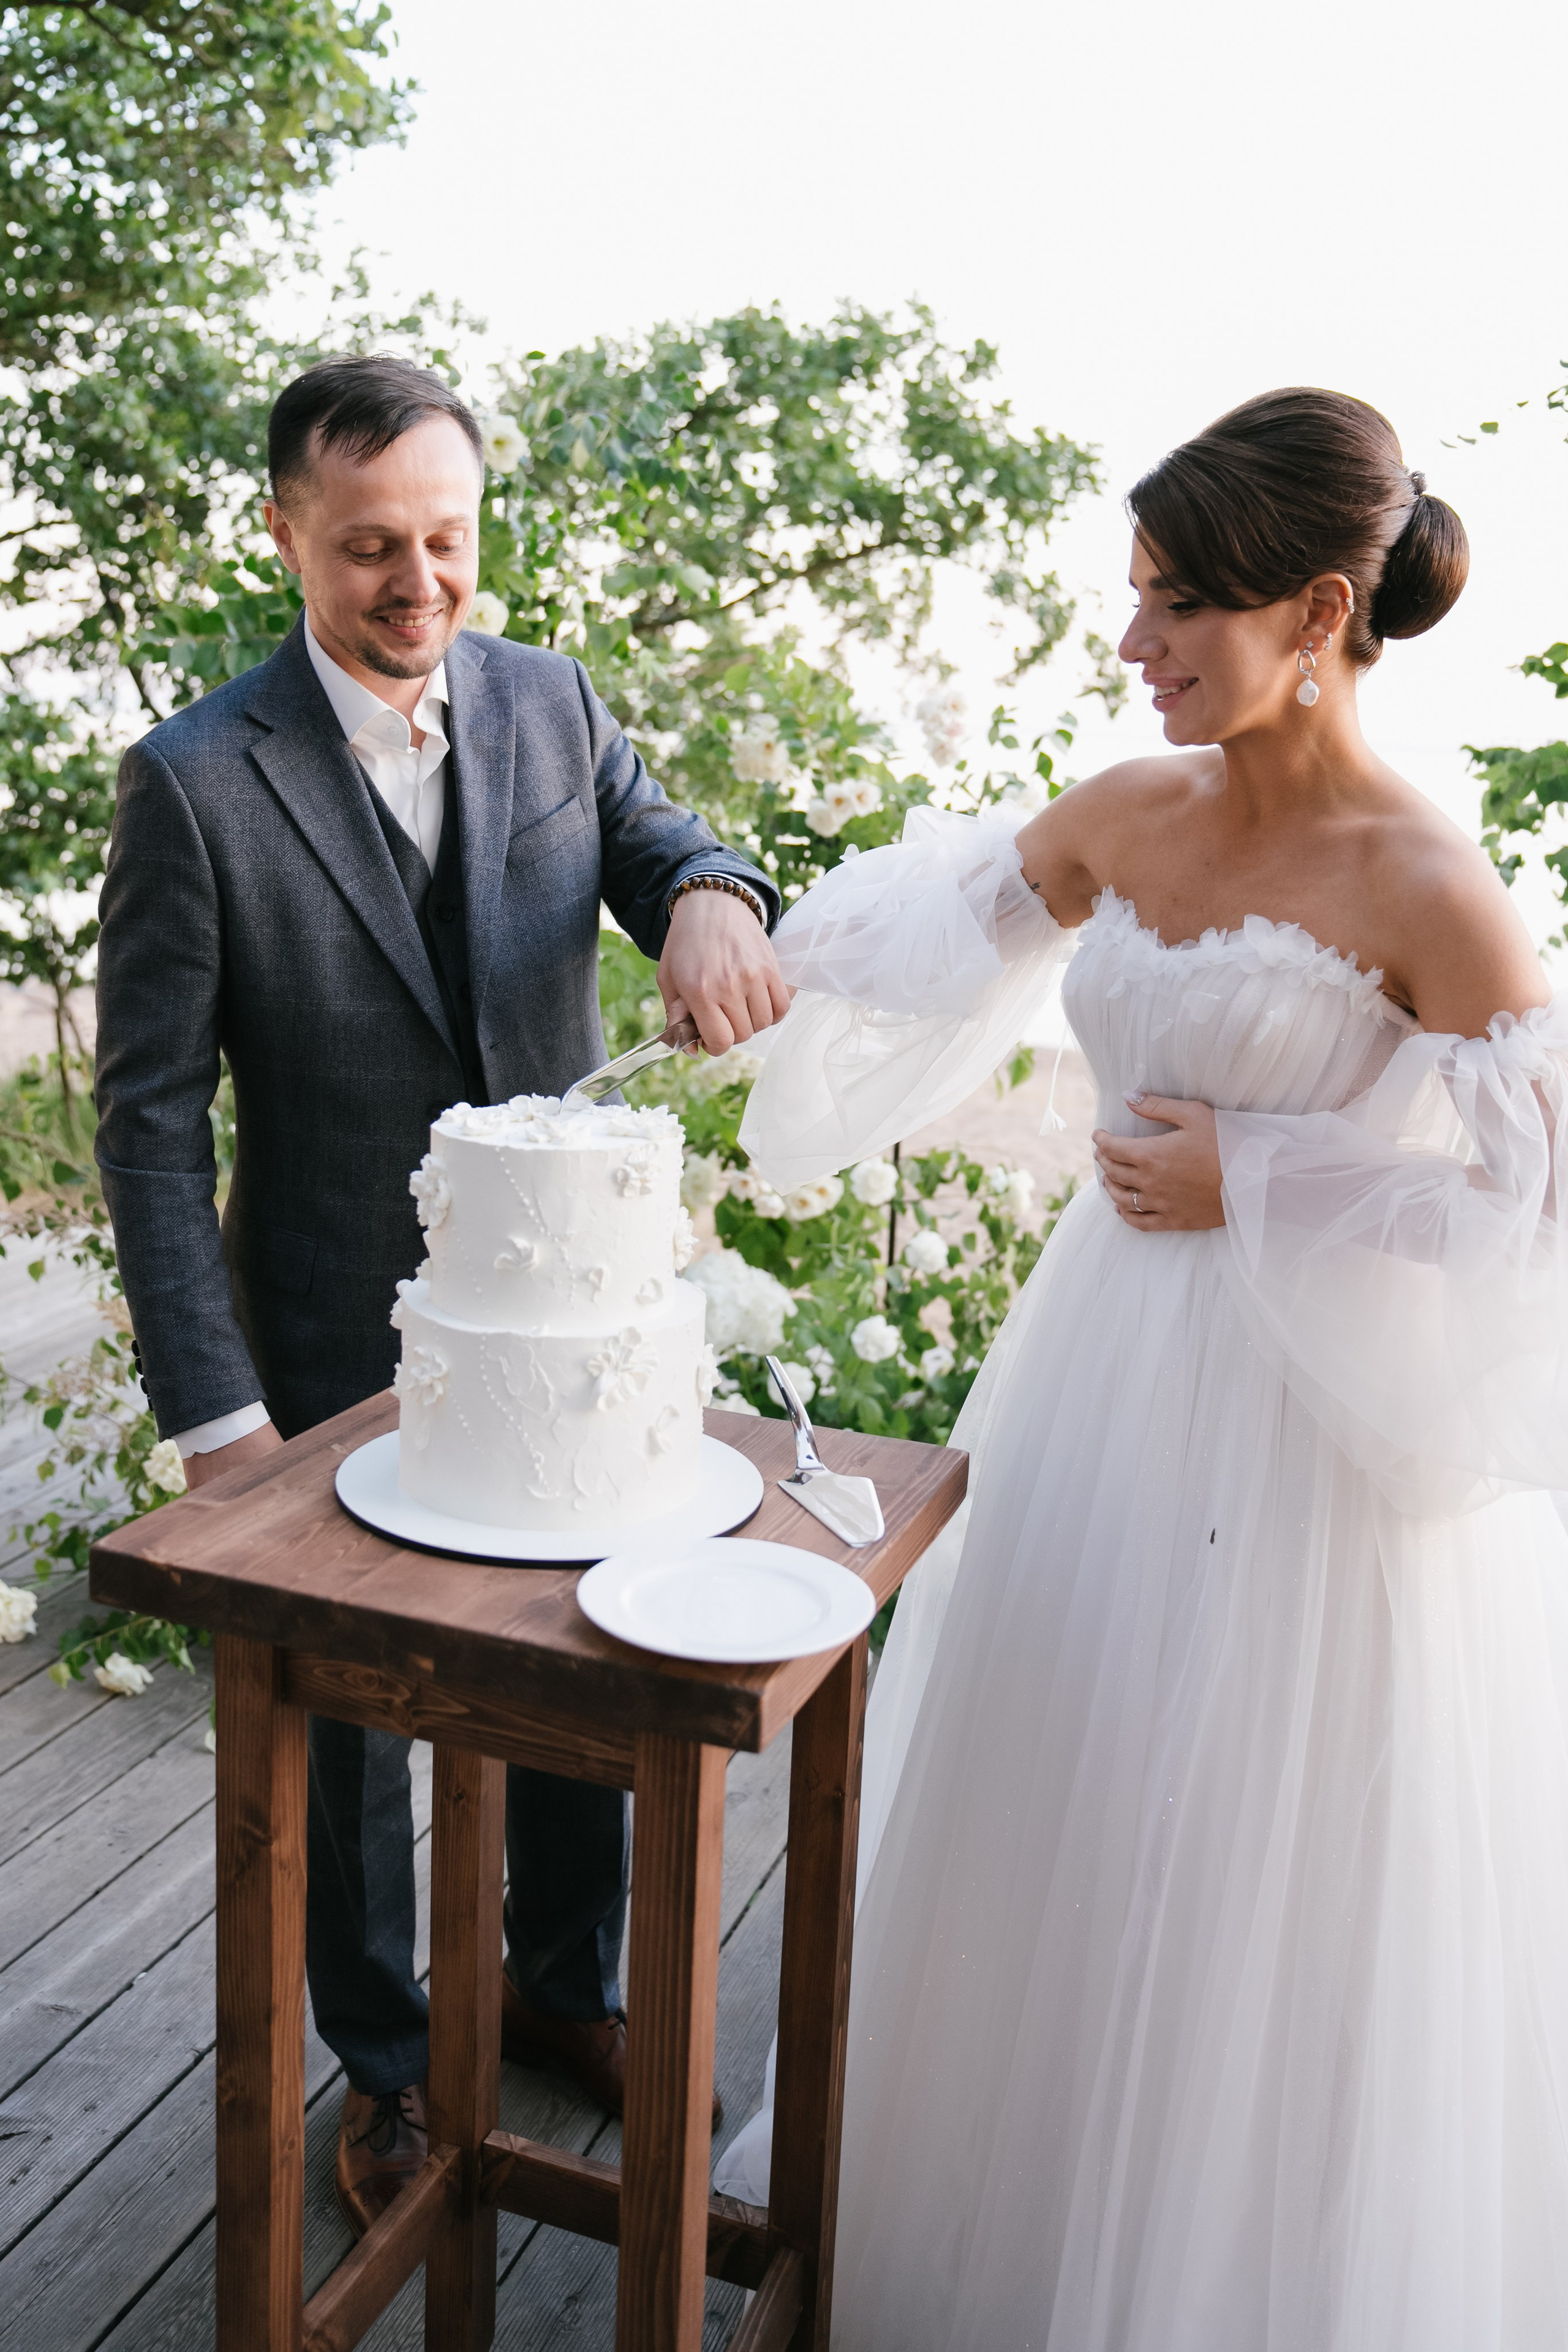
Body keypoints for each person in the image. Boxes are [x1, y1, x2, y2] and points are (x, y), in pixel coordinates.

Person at [722, 388, 1568, 2349]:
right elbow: (929, 941)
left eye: (1179, 605)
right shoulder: (1124, 808)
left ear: (1322, 609)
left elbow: (1536, 1236)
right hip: (1098, 1387)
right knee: (1058, 1791)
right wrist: (750, 959)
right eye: (1135, 598)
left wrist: (1258, 1168)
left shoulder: (1436, 890)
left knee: (1249, 1866)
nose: (1134, 645)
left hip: (1298, 1448)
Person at [93, 355, 787, 2236]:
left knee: (589, 1664)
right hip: (321, 1350)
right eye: (372, 548)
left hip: (557, 1346)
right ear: (286, 534)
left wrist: (716, 888)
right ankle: (391, 2068)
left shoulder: (557, 704)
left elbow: (664, 850)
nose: (421, 585)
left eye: (450, 540)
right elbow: (149, 1122)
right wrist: (212, 1416)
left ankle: (561, 1984)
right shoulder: (191, 780)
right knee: (353, 1724)